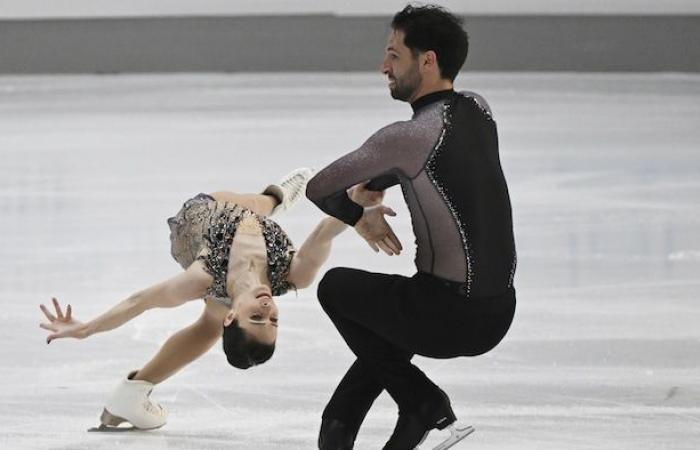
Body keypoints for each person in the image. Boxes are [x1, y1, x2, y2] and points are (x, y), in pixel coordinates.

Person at [306, 5, 517, 449]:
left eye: (393, 55)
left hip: (445, 315)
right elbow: (444, 164)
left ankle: (425, 402)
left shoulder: (406, 136)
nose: (384, 66)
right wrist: (380, 181)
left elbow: (320, 188)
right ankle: (347, 429)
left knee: (336, 288)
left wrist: (359, 216)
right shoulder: (479, 109)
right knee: (384, 337)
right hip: (498, 313)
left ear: (428, 60)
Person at [38, 168, 358, 431]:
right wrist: (358, 205)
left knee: (245, 210)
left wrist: (86, 329)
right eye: (273, 319)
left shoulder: (200, 277)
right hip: (246, 235)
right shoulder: (293, 274)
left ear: (232, 316)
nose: (267, 308)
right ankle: (276, 198)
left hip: (200, 220)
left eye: (257, 318)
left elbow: (141, 301)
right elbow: (323, 234)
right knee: (258, 207)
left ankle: (132, 393)